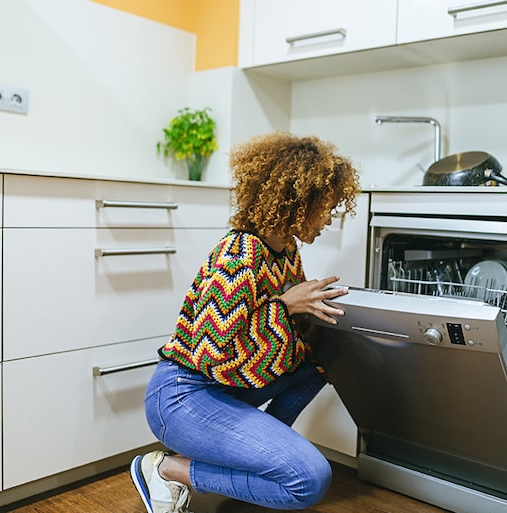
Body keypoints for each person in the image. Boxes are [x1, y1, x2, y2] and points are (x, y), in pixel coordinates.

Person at [130, 131, 361, 513]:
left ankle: (253, 452)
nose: (329, 219)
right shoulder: (238, 254)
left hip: (225, 390)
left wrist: (332, 324)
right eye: (327, 207)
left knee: (323, 361)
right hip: (182, 396)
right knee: (309, 480)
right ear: (299, 201)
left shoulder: (286, 250)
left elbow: (283, 337)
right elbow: (214, 352)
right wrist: (286, 306)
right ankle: (169, 469)